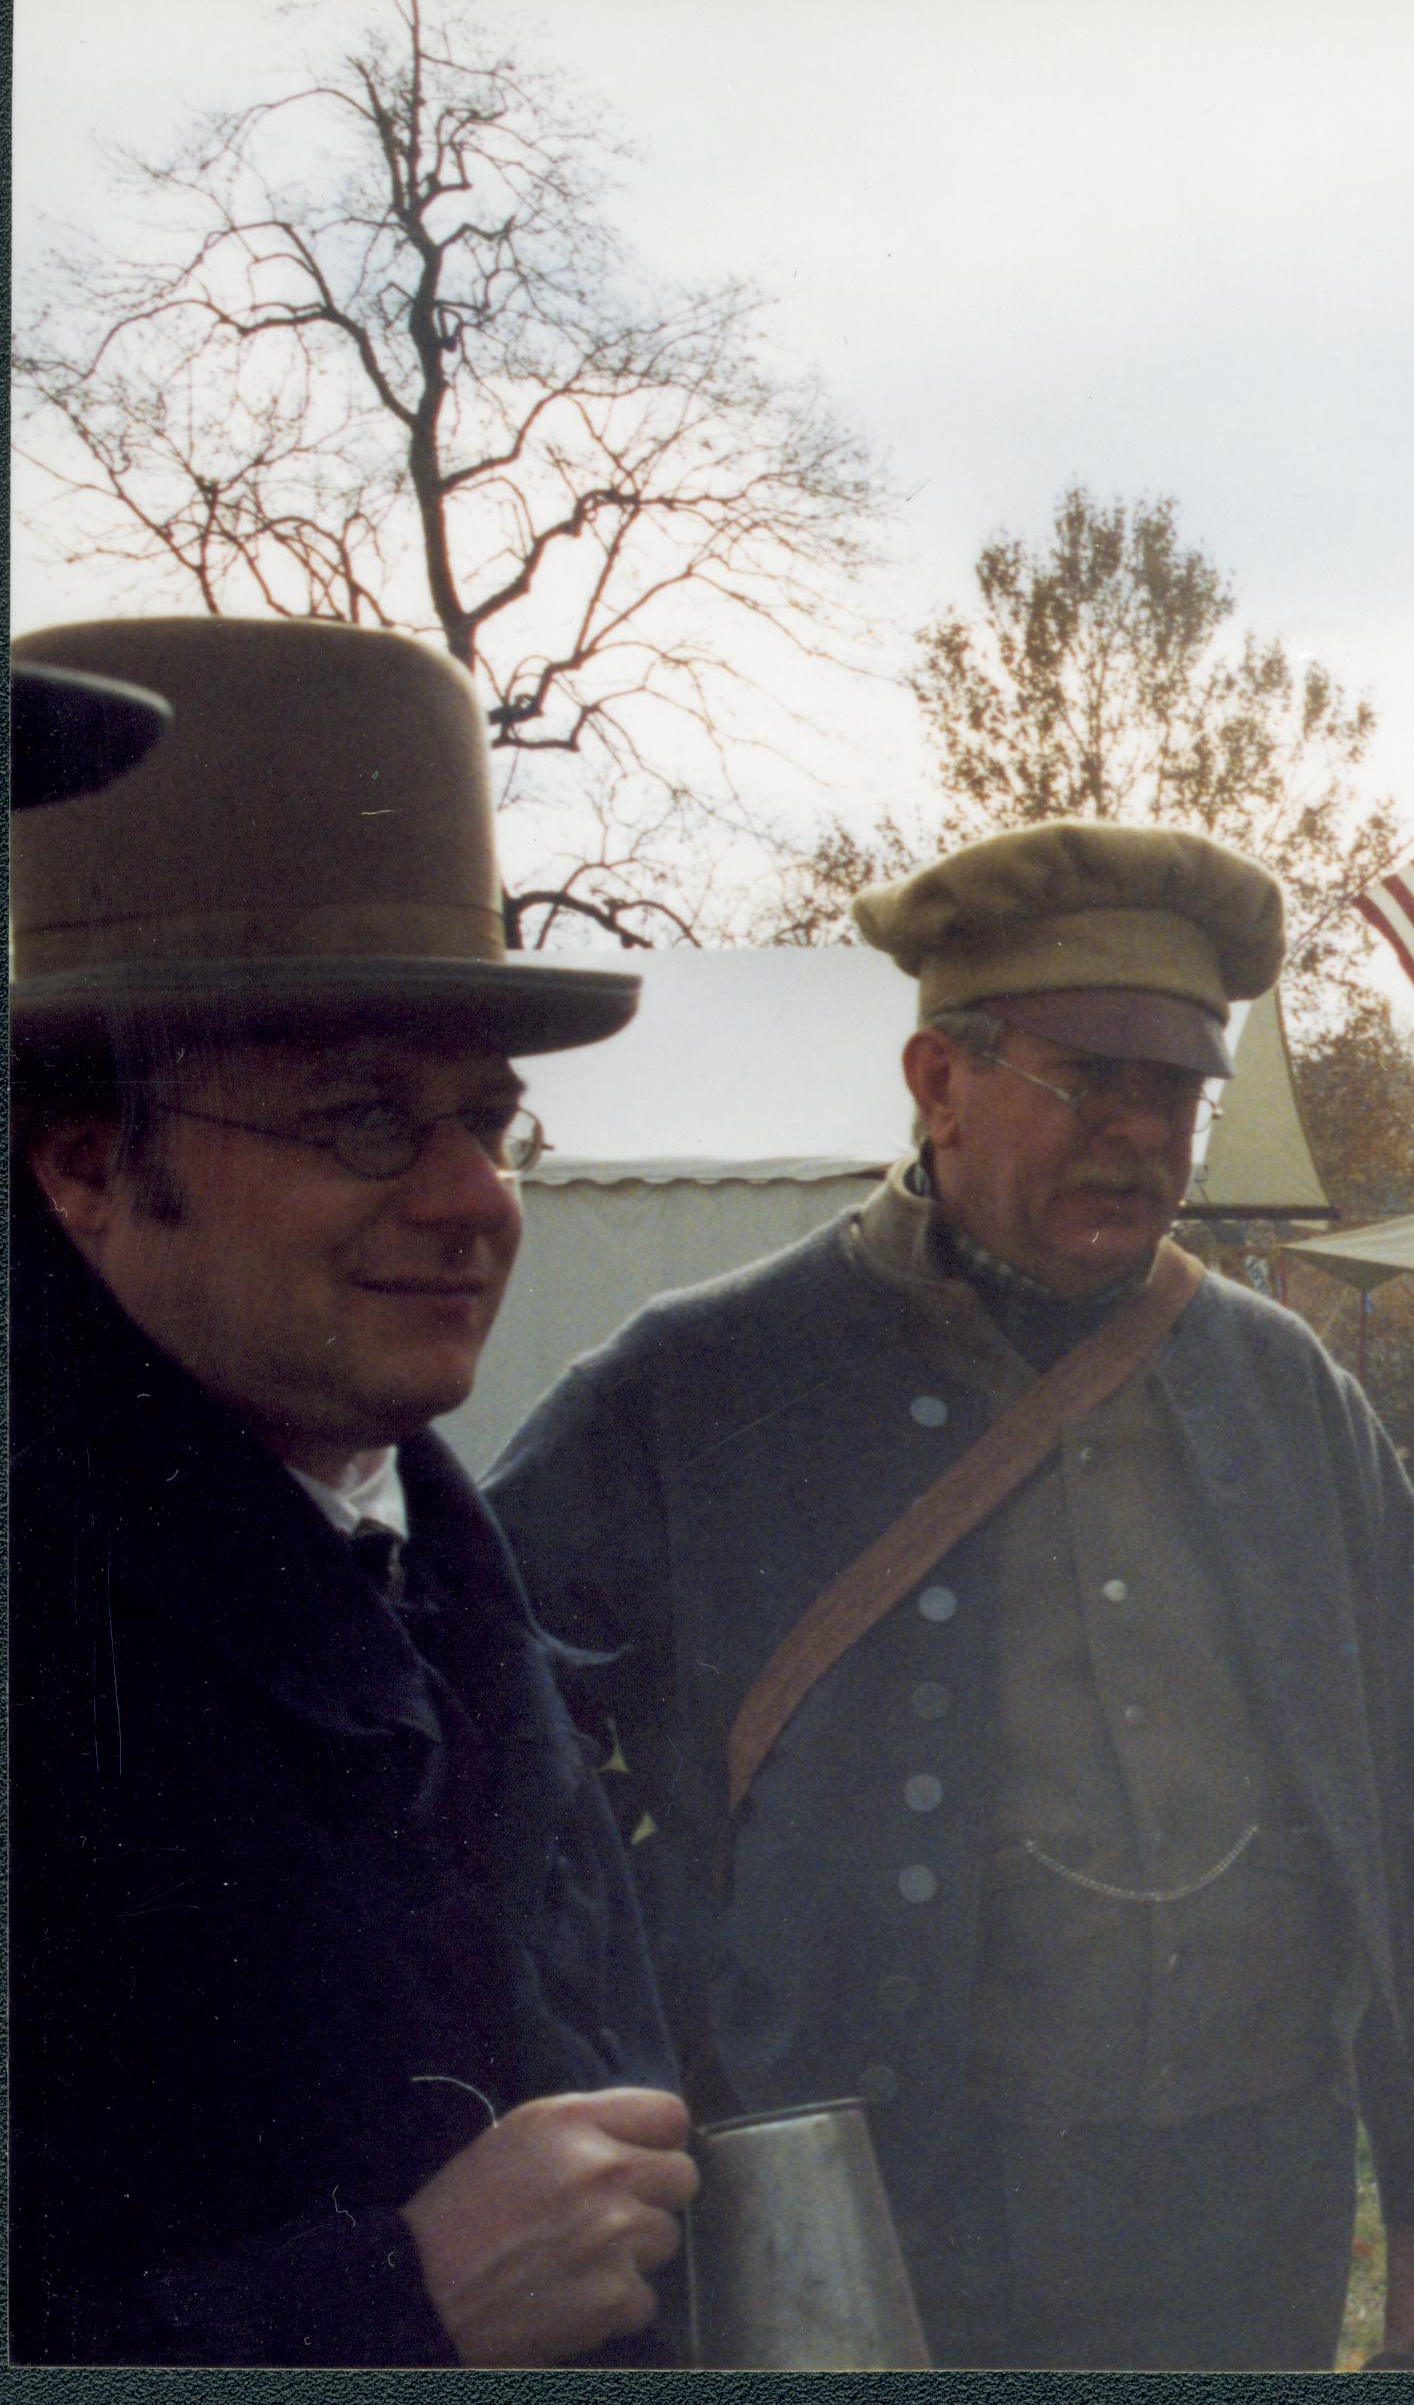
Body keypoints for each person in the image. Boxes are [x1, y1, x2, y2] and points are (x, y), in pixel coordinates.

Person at [485, 820, 1414, 2370]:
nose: (1137, 1131)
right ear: (938, 1082)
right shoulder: (697, 1383)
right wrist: (675, 2013)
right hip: (888, 2222)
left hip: (1249, 2205)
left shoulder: (1283, 1388)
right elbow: (488, 1755)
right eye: (1084, 1077)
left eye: (1172, 1087)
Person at [9, 616, 693, 2366]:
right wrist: (391, 2305)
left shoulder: (434, 1564)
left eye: (489, 1113)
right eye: (363, 1124)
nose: (474, 1198)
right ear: (89, 1167)